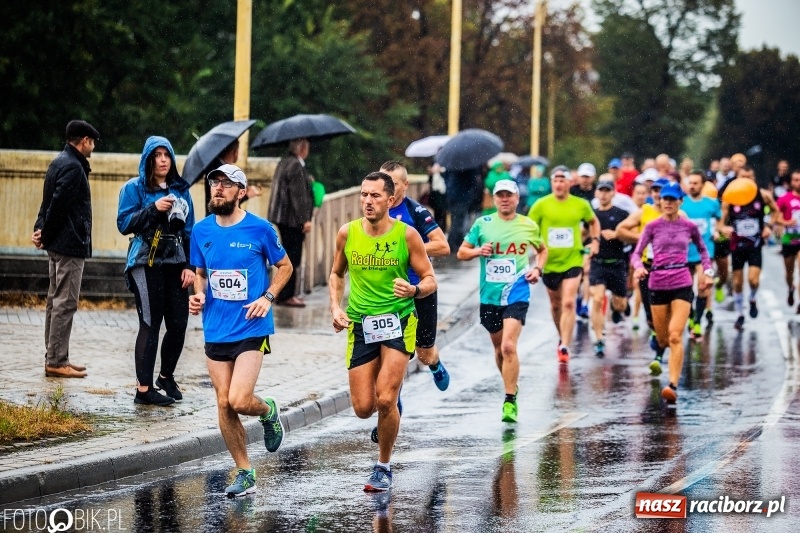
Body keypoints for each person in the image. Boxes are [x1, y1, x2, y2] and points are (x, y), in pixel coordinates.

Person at [189, 164, 293, 497]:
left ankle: (268, 410)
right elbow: (200, 273)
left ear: (241, 192)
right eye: (214, 183)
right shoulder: (201, 231)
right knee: (223, 403)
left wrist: (268, 297)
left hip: (252, 324)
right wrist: (198, 294)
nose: (217, 188)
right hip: (215, 327)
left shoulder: (261, 229)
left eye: (226, 184)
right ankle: (245, 470)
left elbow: (286, 267)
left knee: (238, 398)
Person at [329, 171, 437, 492]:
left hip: (398, 322)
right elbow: (336, 274)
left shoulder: (407, 236)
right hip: (361, 324)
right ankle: (385, 417)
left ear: (390, 200)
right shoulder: (347, 234)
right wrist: (335, 307)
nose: (367, 201)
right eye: (364, 195)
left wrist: (414, 291)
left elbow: (430, 279)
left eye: (375, 196)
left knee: (387, 398)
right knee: (364, 408)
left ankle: (383, 465)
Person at [458, 179, 546, 421]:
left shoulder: (528, 225)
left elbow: (542, 250)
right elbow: (461, 252)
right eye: (500, 195)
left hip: (517, 291)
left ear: (517, 198)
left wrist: (537, 269)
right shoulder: (482, 224)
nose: (505, 199)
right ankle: (510, 383)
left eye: (509, 195)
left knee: (508, 346)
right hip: (490, 296)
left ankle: (509, 399)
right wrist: (477, 251)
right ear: (494, 199)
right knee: (498, 349)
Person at [117, 136, 196, 406]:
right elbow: (124, 223)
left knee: (178, 324)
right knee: (150, 325)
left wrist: (190, 266)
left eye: (167, 155)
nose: (163, 160)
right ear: (148, 159)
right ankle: (143, 390)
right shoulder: (134, 188)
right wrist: (153, 208)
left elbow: (190, 232)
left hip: (176, 263)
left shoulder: (181, 189)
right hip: (145, 261)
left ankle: (165, 376)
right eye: (157, 155)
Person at [632, 183, 712, 406]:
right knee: (663, 338)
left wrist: (707, 271)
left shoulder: (689, 226)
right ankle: (659, 346)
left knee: (676, 335)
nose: (667, 202)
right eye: (664, 198)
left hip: (681, 283)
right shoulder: (652, 226)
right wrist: (638, 267)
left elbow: (704, 251)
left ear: (680, 202)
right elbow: (636, 254)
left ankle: (672, 385)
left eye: (672, 199)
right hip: (657, 284)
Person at [32, 120, 99, 378]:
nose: (93, 146)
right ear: (84, 141)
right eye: (91, 141)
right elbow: (57, 206)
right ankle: (57, 360)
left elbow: (46, 203)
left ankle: (56, 356)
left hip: (58, 243)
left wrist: (41, 232)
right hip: (69, 245)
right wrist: (45, 233)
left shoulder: (59, 161)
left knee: (54, 301)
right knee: (65, 302)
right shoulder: (73, 167)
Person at [382, 161, 451, 391]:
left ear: (405, 185)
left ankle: (435, 363)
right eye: (383, 182)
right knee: (394, 354)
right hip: (389, 294)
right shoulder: (375, 210)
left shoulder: (415, 212)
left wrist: (411, 248)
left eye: (392, 183)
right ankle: (392, 409)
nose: (387, 188)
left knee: (423, 352)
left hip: (420, 290)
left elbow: (442, 246)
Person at [528, 165, 599, 362]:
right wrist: (535, 248)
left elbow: (593, 222)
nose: (559, 184)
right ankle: (562, 336)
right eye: (555, 181)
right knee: (556, 304)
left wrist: (595, 241)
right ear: (552, 183)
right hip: (549, 263)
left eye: (562, 180)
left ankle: (565, 346)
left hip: (573, 259)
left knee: (569, 302)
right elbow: (530, 227)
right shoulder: (541, 205)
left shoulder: (580, 204)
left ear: (570, 183)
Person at [718, 165, 776, 330]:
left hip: (755, 244)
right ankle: (739, 314)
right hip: (737, 245)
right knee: (737, 282)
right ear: (737, 179)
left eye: (750, 177)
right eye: (743, 177)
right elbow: (721, 222)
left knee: (753, 279)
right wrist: (723, 229)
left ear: (754, 178)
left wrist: (768, 227)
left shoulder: (762, 195)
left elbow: (776, 212)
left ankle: (752, 298)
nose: (747, 180)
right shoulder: (730, 199)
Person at [616, 178, 670, 350]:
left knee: (668, 309)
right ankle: (656, 332)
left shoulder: (677, 214)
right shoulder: (643, 212)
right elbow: (620, 230)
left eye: (660, 190)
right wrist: (643, 238)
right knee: (651, 312)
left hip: (671, 268)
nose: (656, 194)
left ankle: (667, 338)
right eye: (653, 190)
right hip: (648, 267)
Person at [268, 138, 314, 307]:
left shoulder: (284, 162)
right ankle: (287, 295)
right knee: (292, 258)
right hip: (291, 220)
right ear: (302, 149)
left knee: (286, 255)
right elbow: (298, 197)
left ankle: (282, 293)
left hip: (281, 217)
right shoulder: (296, 166)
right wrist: (305, 220)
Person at [589, 180, 631, 357]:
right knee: (597, 299)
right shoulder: (591, 215)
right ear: (596, 194)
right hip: (598, 263)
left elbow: (632, 236)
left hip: (617, 263)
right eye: (601, 191)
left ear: (613, 193)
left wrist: (617, 234)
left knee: (620, 304)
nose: (604, 194)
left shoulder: (622, 214)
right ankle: (599, 339)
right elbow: (584, 234)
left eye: (607, 191)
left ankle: (618, 308)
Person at [681, 171, 721, 338]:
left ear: (703, 185)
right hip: (683, 253)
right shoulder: (681, 204)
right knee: (686, 290)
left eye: (696, 183)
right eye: (690, 183)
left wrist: (718, 230)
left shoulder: (711, 204)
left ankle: (697, 322)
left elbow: (720, 219)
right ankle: (690, 317)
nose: (692, 186)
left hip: (704, 252)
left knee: (703, 288)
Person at [202, 140, 261, 216]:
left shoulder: (213, 166)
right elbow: (224, 200)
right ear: (234, 151)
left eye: (227, 183)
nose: (218, 187)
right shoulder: (217, 168)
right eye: (216, 182)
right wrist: (247, 195)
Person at [774, 169, 800, 311]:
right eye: (795, 180)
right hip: (789, 238)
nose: (798, 183)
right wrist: (786, 222)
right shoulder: (785, 199)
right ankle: (790, 288)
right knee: (789, 272)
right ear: (791, 182)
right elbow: (775, 217)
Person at [444, 167, 483, 253]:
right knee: (459, 221)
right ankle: (455, 243)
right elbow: (473, 181)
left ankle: (452, 242)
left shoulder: (451, 165)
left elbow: (446, 178)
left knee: (455, 220)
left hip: (452, 195)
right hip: (462, 196)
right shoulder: (468, 166)